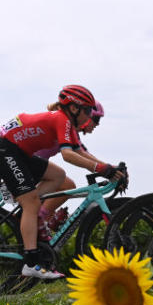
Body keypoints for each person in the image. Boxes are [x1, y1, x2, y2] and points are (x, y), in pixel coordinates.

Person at [0, 85, 125, 279]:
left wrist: (111, 169)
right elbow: (68, 155)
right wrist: (102, 169)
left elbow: (80, 152)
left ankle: (33, 215)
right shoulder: (62, 119)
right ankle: (31, 263)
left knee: (58, 176)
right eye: (88, 111)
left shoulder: (65, 121)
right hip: (5, 153)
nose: (89, 116)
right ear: (75, 109)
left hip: (18, 154)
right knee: (32, 203)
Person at [33, 100, 109, 238]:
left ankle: (41, 224)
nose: (97, 124)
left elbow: (85, 154)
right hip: (25, 163)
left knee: (61, 191)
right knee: (66, 185)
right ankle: (37, 222)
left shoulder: (72, 132)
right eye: (96, 119)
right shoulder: (65, 125)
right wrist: (105, 169)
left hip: (34, 165)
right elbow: (71, 155)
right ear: (87, 115)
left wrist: (110, 168)